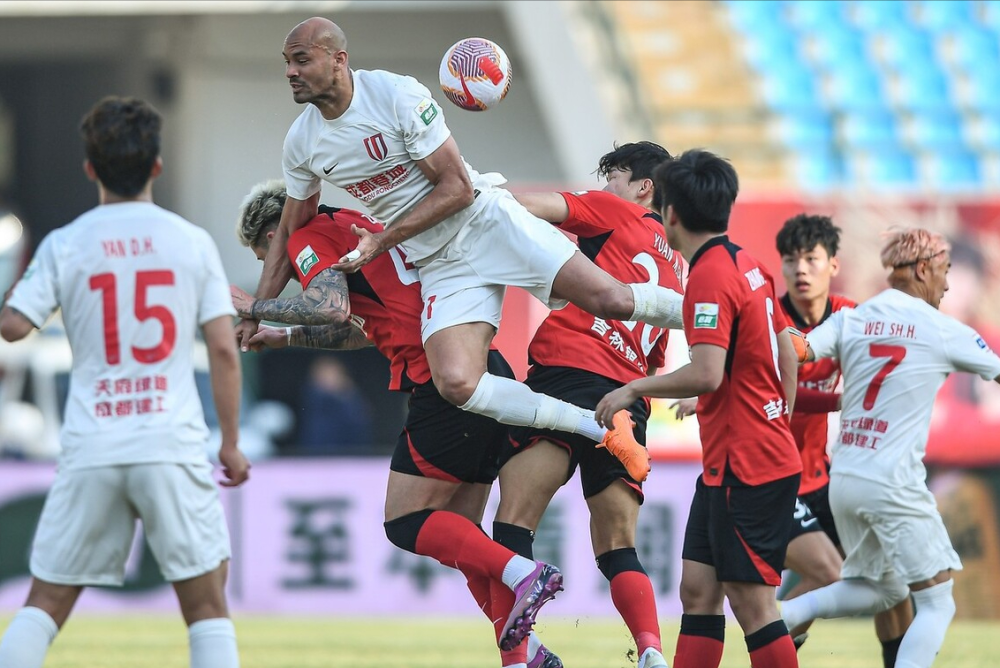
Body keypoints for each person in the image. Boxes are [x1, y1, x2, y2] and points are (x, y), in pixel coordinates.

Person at [237, 17, 688, 483]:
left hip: (486, 221)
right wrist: (255, 315)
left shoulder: (395, 95)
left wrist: (382, 240)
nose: (290, 71)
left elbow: (457, 189)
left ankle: (725, 315)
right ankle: (598, 429)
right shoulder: (302, 142)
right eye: (286, 62)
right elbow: (292, 228)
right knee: (457, 383)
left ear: (338, 60)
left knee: (609, 299)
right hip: (439, 260)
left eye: (301, 59)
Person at [232, 180, 563, 666]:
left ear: (271, 232)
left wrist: (254, 306)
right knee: (462, 534)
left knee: (405, 522)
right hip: (484, 369)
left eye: (263, 254)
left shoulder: (305, 236)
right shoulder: (358, 226)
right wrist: (283, 338)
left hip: (444, 379)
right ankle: (522, 658)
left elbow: (331, 306)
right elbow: (365, 329)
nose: (269, 268)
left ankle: (521, 573)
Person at [0, 96, 249, 668]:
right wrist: (230, 442)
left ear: (90, 168)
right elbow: (221, 349)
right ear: (156, 166)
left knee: (45, 602)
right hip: (170, 441)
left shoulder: (66, 242)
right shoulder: (190, 242)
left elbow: (13, 326)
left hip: (94, 444)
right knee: (208, 607)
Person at [595, 149, 802, 668]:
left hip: (747, 465)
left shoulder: (708, 276)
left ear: (669, 214)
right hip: (735, 462)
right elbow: (786, 349)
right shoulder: (747, 263)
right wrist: (774, 413)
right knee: (698, 591)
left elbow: (707, 370)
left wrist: (633, 389)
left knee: (752, 604)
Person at [492, 141, 680, 668]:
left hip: (567, 374)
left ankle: (518, 660)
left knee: (513, 525)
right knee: (618, 546)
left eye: (614, 176)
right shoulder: (680, 268)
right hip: (625, 400)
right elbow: (654, 362)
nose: (605, 187)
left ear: (643, 187)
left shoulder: (616, 212)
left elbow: (534, 206)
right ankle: (650, 652)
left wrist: (481, 196)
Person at [781, 228, 1000, 668]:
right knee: (939, 603)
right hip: (893, 482)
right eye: (944, 270)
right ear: (922, 269)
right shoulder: (942, 328)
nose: (948, 283)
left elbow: (793, 347)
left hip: (844, 478)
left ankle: (781, 617)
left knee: (884, 589)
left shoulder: (856, 317)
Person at [776, 214, 912, 663]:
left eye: (811, 259)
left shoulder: (850, 318)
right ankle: (778, 634)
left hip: (821, 478)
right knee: (831, 575)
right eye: (791, 259)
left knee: (889, 583)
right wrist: (839, 403)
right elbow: (782, 400)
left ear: (833, 265)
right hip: (773, 478)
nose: (801, 269)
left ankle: (786, 632)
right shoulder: (769, 322)